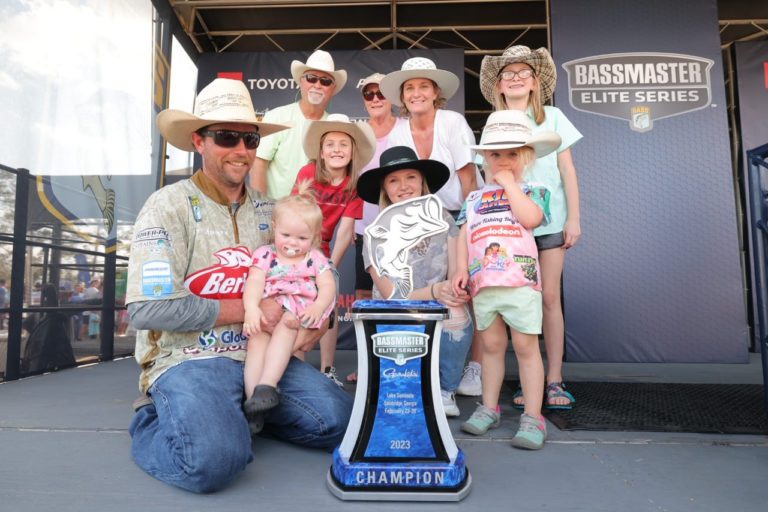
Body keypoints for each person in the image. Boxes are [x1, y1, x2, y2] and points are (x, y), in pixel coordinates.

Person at [125, 78, 352, 494]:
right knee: (213, 463)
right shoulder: (167, 205)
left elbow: (317, 267)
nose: (242, 150)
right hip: (187, 358)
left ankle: (237, 414)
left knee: (340, 421)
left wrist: (313, 317)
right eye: (227, 137)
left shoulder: (271, 209)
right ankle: (156, 415)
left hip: (261, 356)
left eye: (249, 138)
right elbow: (146, 311)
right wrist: (248, 310)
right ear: (199, 141)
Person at [465, 44, 582, 410]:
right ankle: (511, 383)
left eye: (523, 73)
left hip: (548, 221)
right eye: (508, 74)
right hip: (504, 229)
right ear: (498, 85)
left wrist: (574, 218)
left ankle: (554, 380)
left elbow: (567, 170)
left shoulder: (554, 117)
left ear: (535, 82)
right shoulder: (494, 125)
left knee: (547, 298)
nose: (515, 78)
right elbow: (487, 180)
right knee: (508, 303)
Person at [453, 110, 561, 450]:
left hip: (521, 284)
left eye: (512, 154)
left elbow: (530, 218)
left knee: (526, 347)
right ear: (484, 157)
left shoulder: (533, 191)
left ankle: (532, 415)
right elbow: (463, 235)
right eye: (495, 154)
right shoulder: (473, 199)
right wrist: (458, 270)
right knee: (491, 347)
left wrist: (511, 185)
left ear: (526, 157)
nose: (503, 160)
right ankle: (489, 407)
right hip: (484, 285)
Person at [357, 145, 474, 417]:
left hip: (435, 306)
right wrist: (435, 290)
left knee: (457, 312)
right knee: (400, 397)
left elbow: (458, 269)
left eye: (411, 177)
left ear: (423, 182)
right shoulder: (376, 234)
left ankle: (445, 390)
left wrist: (456, 287)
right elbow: (391, 295)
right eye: (393, 180)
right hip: (395, 312)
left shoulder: (444, 219)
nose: (404, 186)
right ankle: (401, 384)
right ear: (384, 190)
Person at [241, 183, 336, 433]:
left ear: (314, 238)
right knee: (256, 342)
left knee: (287, 327)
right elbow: (254, 282)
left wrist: (318, 306)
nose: (292, 243)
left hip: (296, 312)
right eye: (286, 235)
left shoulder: (314, 258)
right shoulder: (265, 254)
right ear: (275, 229)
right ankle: (254, 402)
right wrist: (251, 309)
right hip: (267, 310)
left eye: (302, 238)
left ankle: (268, 386)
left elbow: (328, 286)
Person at [291, 112, 376, 386]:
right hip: (299, 245)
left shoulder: (355, 183)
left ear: (353, 151)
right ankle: (297, 370)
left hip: (325, 248)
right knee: (300, 305)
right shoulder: (307, 173)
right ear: (321, 152)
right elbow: (296, 218)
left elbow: (346, 230)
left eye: (343, 144)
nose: (337, 149)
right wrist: (304, 260)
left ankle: (328, 370)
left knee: (327, 304)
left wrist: (329, 268)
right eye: (330, 144)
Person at [348, 72, 407, 382]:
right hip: (365, 228)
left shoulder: (406, 129)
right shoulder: (357, 133)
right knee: (364, 297)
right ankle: (368, 364)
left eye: (380, 93)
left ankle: (402, 363)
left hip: (403, 229)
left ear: (392, 98)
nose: (374, 99)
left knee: (403, 296)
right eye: (368, 94)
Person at [378, 56, 483, 216]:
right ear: (402, 97)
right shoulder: (397, 135)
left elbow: (470, 179)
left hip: (462, 212)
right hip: (421, 218)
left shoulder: (453, 122)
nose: (416, 94)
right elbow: (397, 185)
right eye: (409, 88)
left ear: (435, 93)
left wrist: (469, 222)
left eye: (424, 86)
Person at [251, 49, 347, 199]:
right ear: (301, 81)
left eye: (325, 81)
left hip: (318, 216)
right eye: (311, 78)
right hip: (277, 214)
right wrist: (261, 211)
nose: (317, 85)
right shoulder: (277, 117)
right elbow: (259, 164)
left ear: (332, 88)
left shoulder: (334, 125)